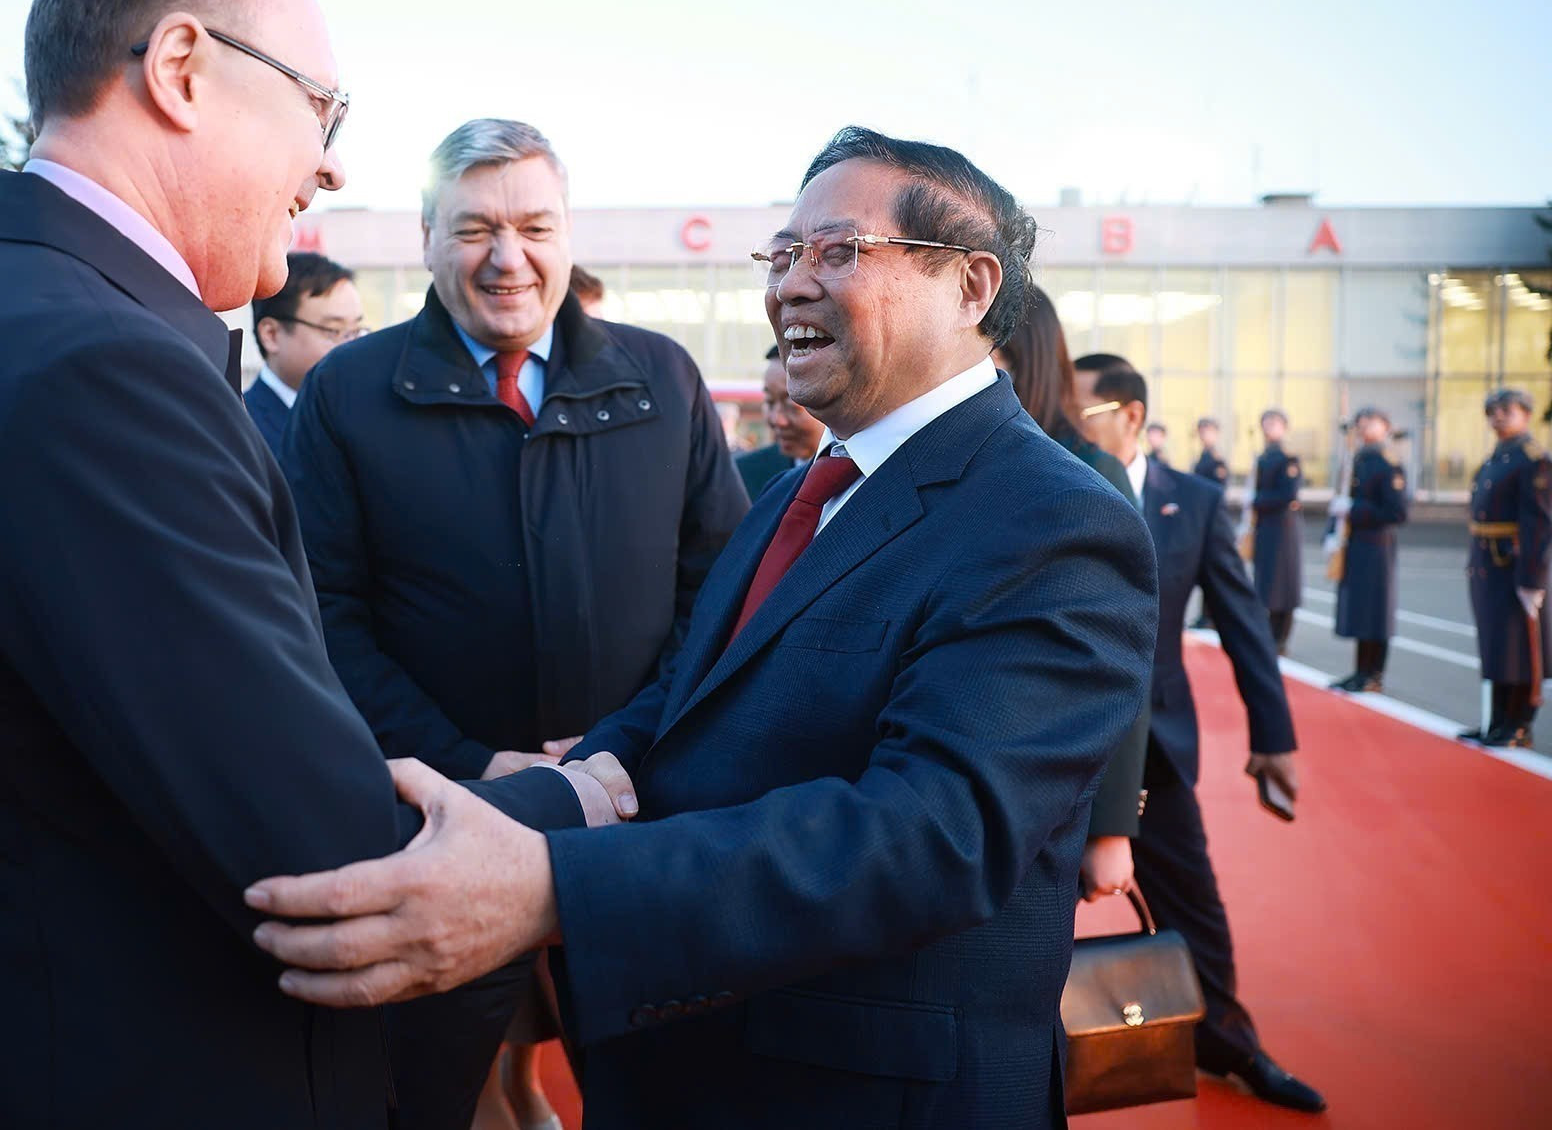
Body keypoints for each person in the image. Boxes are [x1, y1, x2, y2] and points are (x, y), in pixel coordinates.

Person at [0, 0, 612, 1129]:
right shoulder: (94, 368)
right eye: (323, 106)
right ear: (184, 67)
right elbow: (334, 858)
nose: (332, 160)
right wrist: (585, 798)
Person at [251, 127, 1161, 1129]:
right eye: (781, 254)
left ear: (971, 284)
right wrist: (542, 800)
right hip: (691, 1052)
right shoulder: (803, 492)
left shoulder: (1051, 520)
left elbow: (929, 834)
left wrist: (555, 884)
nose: (790, 287)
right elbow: (688, 694)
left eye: (837, 252)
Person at [283, 117, 747, 1130]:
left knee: (666, 1090)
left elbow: (719, 598)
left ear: (567, 232)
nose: (508, 257)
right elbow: (321, 617)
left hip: (639, 814)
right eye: (474, 228)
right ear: (425, 236)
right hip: (433, 823)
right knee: (421, 1098)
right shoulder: (347, 394)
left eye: (534, 224)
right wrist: (472, 763)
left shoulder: (662, 380)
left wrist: (614, 754)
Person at [1072, 354, 1323, 1113]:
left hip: (1155, 750)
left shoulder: (1197, 501)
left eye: (1076, 413)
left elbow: (1246, 624)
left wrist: (1273, 737)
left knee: (1196, 914)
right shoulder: (1041, 480)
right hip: (1056, 744)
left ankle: (1227, 1041)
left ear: (1131, 416)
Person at [994, 285, 1147, 905]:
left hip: (1056, 766)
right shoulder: (976, 452)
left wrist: (1111, 826)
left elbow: (1123, 652)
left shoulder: (1086, 467)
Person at [1461, 389, 1549, 748]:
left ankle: (1519, 724)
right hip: (1488, 563)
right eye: (1492, 412)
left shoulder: (1533, 459)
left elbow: (1540, 523)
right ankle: (1496, 720)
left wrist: (1532, 579)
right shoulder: (1497, 457)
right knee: (1497, 645)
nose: (1497, 417)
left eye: (1506, 411)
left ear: (1526, 414)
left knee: (1521, 647)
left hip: (1515, 563)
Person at [244, 251, 362, 447]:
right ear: (271, 335)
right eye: (334, 331)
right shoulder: (243, 429)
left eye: (357, 330)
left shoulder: (363, 415)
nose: (352, 346)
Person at [1329, 408, 1408, 693]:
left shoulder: (1387, 462)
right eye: (1360, 424)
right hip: (1356, 543)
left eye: (1370, 423)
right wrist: (1333, 531)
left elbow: (1396, 511)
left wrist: (1354, 510)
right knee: (1360, 610)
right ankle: (1361, 670)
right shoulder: (1357, 459)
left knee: (1376, 611)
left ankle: (1374, 673)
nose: (1363, 428)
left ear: (1385, 426)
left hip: (1376, 544)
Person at [734, 345, 824, 501]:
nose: (777, 419)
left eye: (791, 404)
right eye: (769, 402)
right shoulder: (744, 474)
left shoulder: (860, 476)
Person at [1250, 409, 1304, 654]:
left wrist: (1258, 500)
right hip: (1266, 527)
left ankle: (1280, 637)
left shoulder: (1287, 458)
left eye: (1275, 423)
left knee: (1283, 584)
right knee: (1268, 582)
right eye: (1266, 423)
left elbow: (1287, 494)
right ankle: (1270, 634)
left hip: (1283, 529)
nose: (1270, 427)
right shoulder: (1264, 457)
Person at [1194, 416, 1228, 486]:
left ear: (1216, 434)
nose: (1203, 435)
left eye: (1207, 432)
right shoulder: (1203, 454)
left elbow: (1220, 485)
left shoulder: (1217, 458)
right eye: (1201, 432)